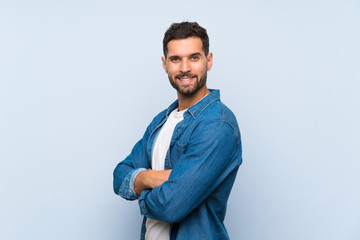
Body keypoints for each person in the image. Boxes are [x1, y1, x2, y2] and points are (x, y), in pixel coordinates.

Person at [113, 21, 242, 240]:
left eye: (194, 57)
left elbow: (170, 207)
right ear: (165, 64)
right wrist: (153, 178)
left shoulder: (217, 125)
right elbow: (119, 175)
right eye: (176, 59)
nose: (184, 68)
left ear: (208, 61)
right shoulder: (162, 121)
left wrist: (140, 187)